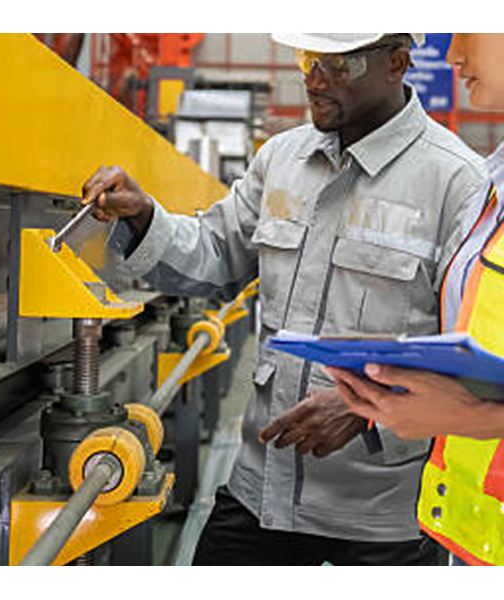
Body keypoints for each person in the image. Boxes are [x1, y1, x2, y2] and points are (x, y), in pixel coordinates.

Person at [81, 33, 489, 565]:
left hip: (385, 513)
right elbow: (215, 253)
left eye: (339, 65)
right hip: (263, 487)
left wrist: (366, 407)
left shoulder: (458, 183)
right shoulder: (281, 159)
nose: (313, 79)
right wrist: (144, 218)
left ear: (396, 63)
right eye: (307, 59)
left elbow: (474, 351)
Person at [328, 33, 504, 567]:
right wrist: (401, 376)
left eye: (469, 29)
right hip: (473, 536)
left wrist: (476, 416)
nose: (452, 56)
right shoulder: (491, 183)